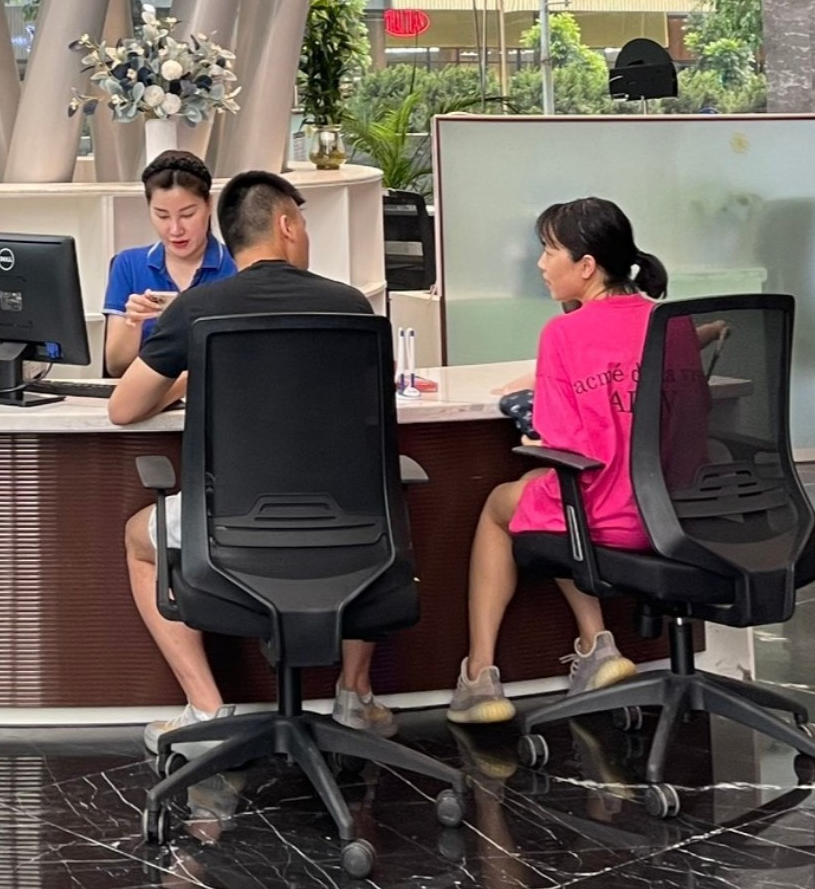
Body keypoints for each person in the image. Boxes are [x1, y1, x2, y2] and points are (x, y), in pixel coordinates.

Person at [108, 170, 397, 750]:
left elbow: (123, 407)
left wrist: (192, 376)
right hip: (347, 525)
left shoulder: (196, 310)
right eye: (303, 223)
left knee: (141, 538)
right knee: (384, 507)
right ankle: (354, 694)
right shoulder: (348, 304)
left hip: (232, 526)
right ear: (286, 225)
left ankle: (206, 710)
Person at [446, 196, 671, 727]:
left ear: (586, 266)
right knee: (547, 492)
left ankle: (479, 676)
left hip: (607, 515)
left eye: (550, 252)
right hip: (675, 514)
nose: (541, 264)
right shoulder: (669, 323)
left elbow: (558, 439)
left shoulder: (563, 334)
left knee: (504, 506)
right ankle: (595, 647)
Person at [101, 150, 238, 376]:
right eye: (162, 216)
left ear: (208, 205)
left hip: (221, 392)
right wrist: (133, 324)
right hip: (147, 395)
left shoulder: (238, 266)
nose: (175, 229)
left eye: (187, 214)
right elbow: (116, 368)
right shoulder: (129, 265)